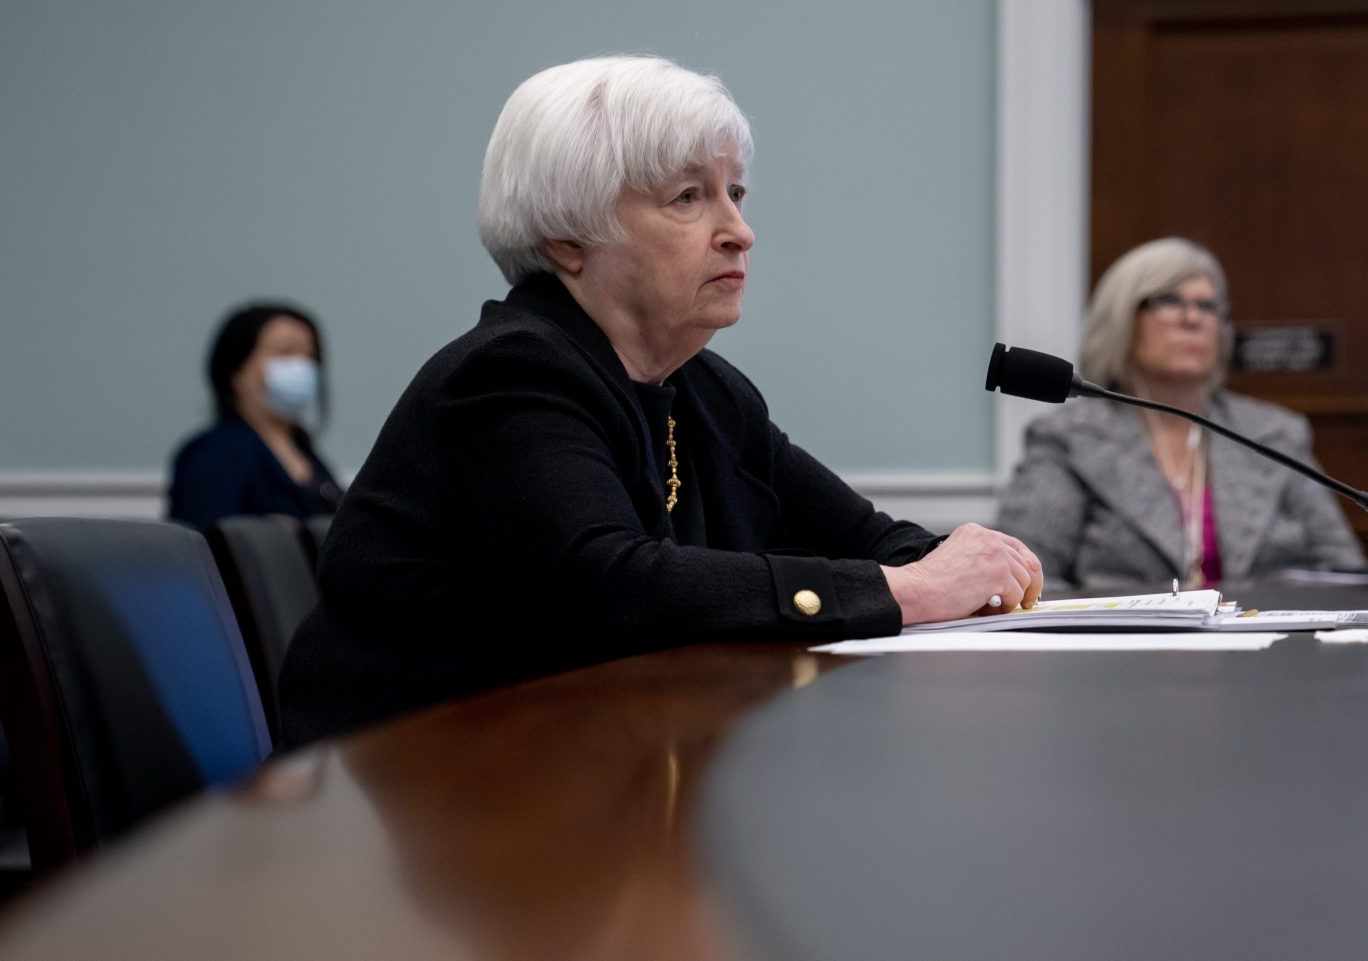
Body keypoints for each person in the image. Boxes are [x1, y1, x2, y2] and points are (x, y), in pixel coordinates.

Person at [277, 55, 1042, 747]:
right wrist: (911, 589)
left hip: (587, 771)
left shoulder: (702, 389)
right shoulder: (512, 375)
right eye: (688, 198)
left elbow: (867, 537)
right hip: (415, 797)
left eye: (734, 194)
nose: (739, 231)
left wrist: (954, 569)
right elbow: (613, 585)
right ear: (567, 238)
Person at [996, 237, 1364, 590]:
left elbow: (1343, 570)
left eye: (1208, 306)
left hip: (1268, 642)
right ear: (1123, 318)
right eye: (1170, 301)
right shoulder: (1069, 439)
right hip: (1122, 647)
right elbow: (1027, 575)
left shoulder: (1272, 432)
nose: (1193, 318)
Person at [167, 302, 341, 530]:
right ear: (236, 370)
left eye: (310, 355)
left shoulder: (307, 454)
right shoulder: (214, 454)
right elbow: (206, 546)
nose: (302, 366)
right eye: (285, 352)